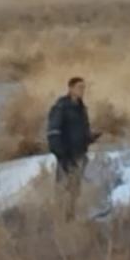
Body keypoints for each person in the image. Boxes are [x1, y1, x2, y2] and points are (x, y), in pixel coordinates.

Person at [46, 76, 99, 208]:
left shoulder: (81, 108)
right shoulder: (61, 107)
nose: (82, 91)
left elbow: (81, 131)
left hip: (80, 153)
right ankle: (60, 215)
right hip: (66, 154)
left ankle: (73, 214)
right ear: (70, 89)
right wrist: (60, 153)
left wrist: (91, 137)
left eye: (84, 88)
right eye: (79, 87)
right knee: (64, 187)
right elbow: (53, 131)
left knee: (77, 188)